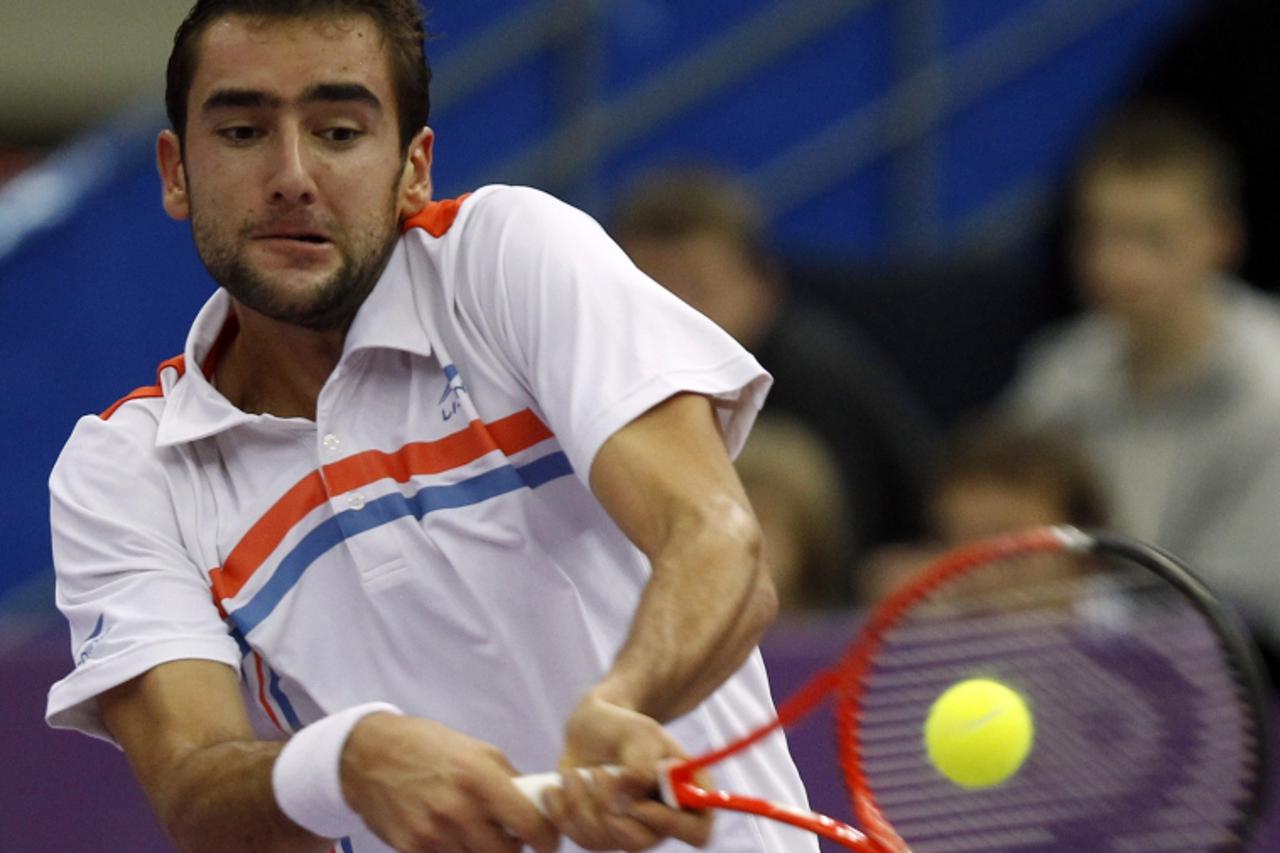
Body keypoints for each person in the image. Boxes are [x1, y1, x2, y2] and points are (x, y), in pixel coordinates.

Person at [43, 3, 815, 852]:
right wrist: (345, 761)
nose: (292, 173)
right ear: (175, 171)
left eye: (339, 131)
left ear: (415, 169)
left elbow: (717, 541)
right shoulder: (125, 471)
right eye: (241, 132)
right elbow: (193, 788)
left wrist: (623, 704)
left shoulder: (506, 260)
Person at [1000, 104, 1280, 651]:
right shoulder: (1060, 369)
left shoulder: (1271, 391)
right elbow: (1009, 529)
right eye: (1097, 234)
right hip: (1081, 667)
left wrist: (1074, 601)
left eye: (1151, 238)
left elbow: (1245, 615)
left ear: (1223, 238)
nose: (1115, 264)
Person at [611, 169, 938, 588]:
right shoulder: (607, 384)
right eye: (653, 294)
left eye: (698, 289)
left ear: (763, 287)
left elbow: (834, 568)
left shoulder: (820, 381)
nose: (677, 317)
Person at [858, 420, 1108, 603]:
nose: (980, 581)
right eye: (954, 550)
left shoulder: (1136, 652)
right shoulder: (921, 627)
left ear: (1086, 561)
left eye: (1010, 555)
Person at [733, 414, 853, 611]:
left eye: (765, 520)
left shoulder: (845, 632)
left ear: (808, 538)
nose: (748, 539)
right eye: (734, 522)